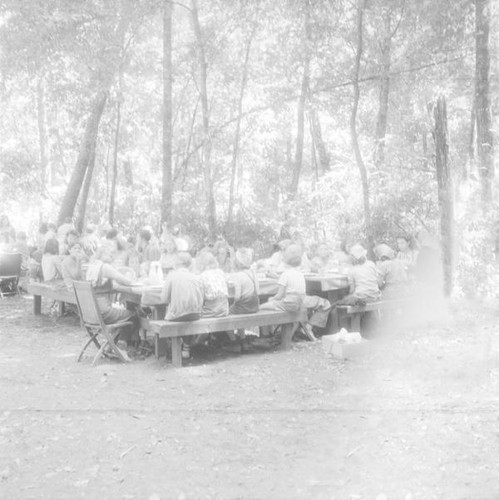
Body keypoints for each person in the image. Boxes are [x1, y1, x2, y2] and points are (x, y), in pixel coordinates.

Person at [85, 244, 139, 345]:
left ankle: (118, 342)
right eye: (110, 254)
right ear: (102, 254)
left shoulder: (93, 266)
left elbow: (103, 287)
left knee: (124, 310)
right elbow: (124, 280)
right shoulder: (104, 267)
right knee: (133, 314)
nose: (112, 257)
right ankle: (124, 343)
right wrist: (135, 281)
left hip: (92, 312)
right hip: (104, 312)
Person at [261, 244, 306, 312]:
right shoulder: (300, 274)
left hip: (289, 304)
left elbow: (279, 295)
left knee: (261, 307)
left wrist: (272, 299)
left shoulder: (285, 274)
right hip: (301, 303)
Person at [160, 252, 203, 322]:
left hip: (177, 316)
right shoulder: (195, 277)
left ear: (176, 263)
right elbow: (201, 299)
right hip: (195, 315)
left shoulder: (171, 276)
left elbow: (164, 299)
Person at [196, 251, 229, 318]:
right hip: (224, 311)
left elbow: (200, 298)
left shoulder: (202, 276)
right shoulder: (220, 272)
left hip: (210, 312)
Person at [229, 248, 259, 315]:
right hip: (255, 307)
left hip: (243, 308)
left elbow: (237, 297)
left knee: (228, 311)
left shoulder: (237, 276)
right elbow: (257, 291)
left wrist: (233, 303)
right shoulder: (253, 273)